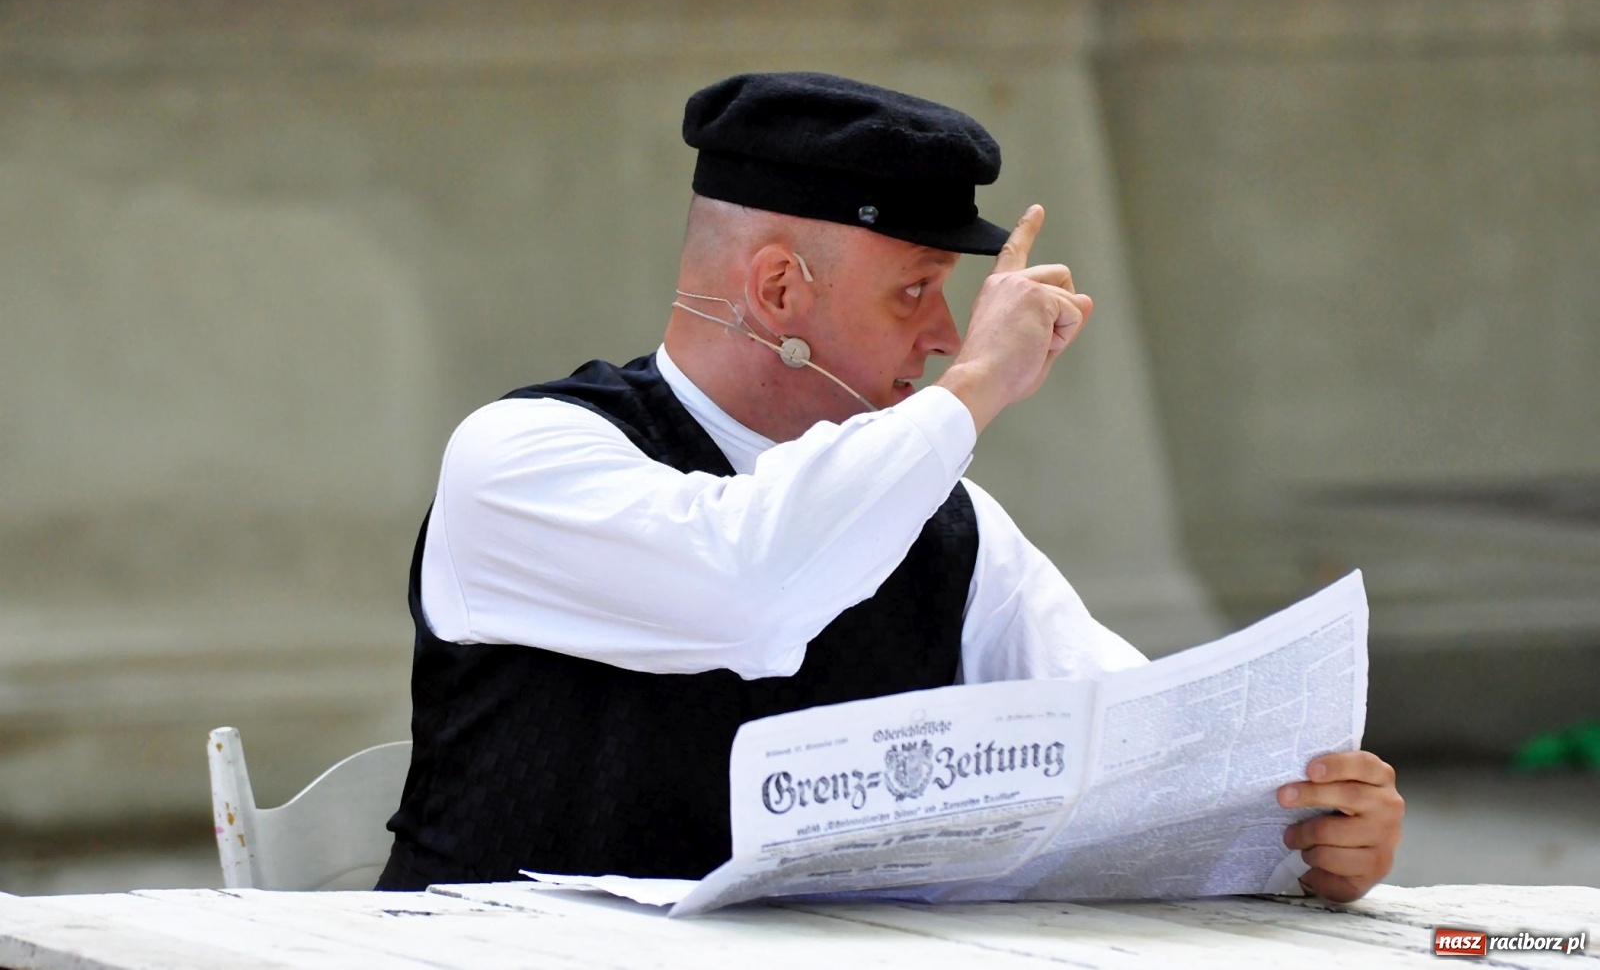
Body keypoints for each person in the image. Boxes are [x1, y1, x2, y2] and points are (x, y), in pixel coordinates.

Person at [377, 71, 1402, 902]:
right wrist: (974, 390)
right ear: (777, 291)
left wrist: (1303, 828)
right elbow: (749, 590)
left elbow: (1135, 755)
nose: (948, 336)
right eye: (915, 289)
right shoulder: (520, 456)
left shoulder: (948, 526)